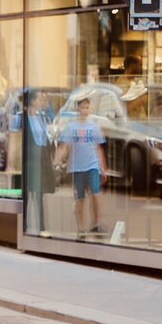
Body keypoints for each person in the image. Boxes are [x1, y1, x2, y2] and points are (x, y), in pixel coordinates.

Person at [53, 96, 107, 236]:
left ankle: (96, 223)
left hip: (92, 164)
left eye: (87, 108)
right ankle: (81, 228)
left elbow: (98, 147)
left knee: (95, 194)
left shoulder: (93, 126)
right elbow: (64, 146)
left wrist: (103, 167)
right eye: (82, 107)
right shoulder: (71, 127)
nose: (85, 110)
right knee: (80, 199)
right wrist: (57, 161)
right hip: (77, 166)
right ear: (78, 109)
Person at [24, 89, 56, 234]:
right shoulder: (23, 119)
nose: (42, 102)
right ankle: (24, 225)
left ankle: (41, 227)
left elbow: (46, 138)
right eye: (39, 99)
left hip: (41, 159)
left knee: (39, 193)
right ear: (32, 101)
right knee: (27, 193)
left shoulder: (41, 117)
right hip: (29, 160)